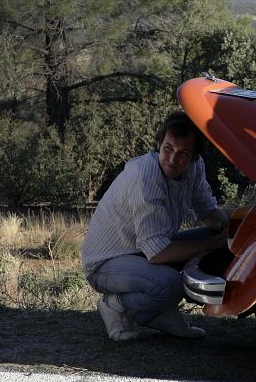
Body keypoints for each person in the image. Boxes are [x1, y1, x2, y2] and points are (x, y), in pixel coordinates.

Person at [81, 111, 230, 340]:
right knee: (170, 283)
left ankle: (162, 312)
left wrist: (229, 228)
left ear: (194, 156)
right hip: (106, 262)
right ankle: (115, 305)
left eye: (183, 153)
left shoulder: (195, 167)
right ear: (159, 143)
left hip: (143, 251)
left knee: (217, 240)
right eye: (168, 148)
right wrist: (219, 240)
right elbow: (158, 252)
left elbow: (207, 212)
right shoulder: (145, 177)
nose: (173, 159)